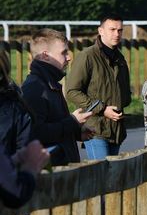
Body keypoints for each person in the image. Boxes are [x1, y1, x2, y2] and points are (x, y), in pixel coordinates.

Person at [21, 29, 93, 165]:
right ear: (45, 56)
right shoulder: (35, 88)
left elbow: (53, 123)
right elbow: (35, 133)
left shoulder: (49, 82)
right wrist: (72, 122)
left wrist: (76, 132)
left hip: (61, 172)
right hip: (50, 175)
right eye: (64, 52)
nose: (69, 57)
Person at [65, 14, 131, 159]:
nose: (117, 34)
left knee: (112, 177)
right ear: (100, 31)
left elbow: (125, 95)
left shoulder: (120, 58)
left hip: (116, 129)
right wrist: (102, 109)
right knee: (101, 175)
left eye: (120, 30)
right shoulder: (87, 56)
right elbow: (71, 91)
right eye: (112, 29)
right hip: (94, 129)